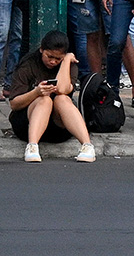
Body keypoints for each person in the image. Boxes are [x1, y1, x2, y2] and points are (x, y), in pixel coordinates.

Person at [8, 31, 96, 163]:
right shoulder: (28, 64)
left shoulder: (69, 65)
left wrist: (66, 61)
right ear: (41, 49)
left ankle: (87, 145)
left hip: (58, 128)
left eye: (58, 59)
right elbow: (14, 104)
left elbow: (62, 89)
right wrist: (36, 93)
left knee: (62, 98)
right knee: (45, 100)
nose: (53, 61)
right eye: (49, 56)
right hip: (27, 125)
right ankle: (32, 146)